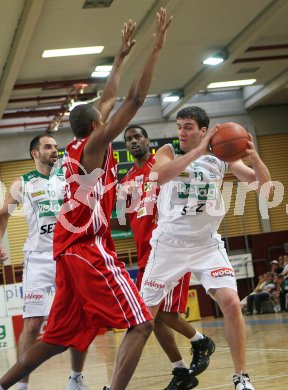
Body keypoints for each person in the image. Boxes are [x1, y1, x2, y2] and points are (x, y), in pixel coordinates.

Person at [0, 8, 172, 390]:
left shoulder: (83, 141)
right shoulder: (95, 146)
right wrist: (156, 46)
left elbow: (109, 96)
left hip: (66, 250)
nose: (108, 117)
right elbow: (135, 97)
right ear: (98, 126)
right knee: (141, 323)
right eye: (104, 118)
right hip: (85, 248)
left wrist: (121, 55)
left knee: (56, 339)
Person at [140, 106, 272, 390]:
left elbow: (265, 190)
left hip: (206, 244)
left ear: (204, 130)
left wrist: (254, 156)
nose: (181, 132)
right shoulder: (168, 152)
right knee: (143, 319)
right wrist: (198, 151)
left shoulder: (221, 159)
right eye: (179, 126)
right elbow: (159, 177)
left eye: (188, 127)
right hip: (169, 245)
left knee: (232, 303)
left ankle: (241, 377)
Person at [118, 125, 215, 389]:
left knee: (161, 315)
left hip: (169, 248)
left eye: (138, 136)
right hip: (143, 252)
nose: (134, 141)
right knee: (155, 316)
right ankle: (181, 369)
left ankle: (199, 342)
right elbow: (124, 221)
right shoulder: (128, 179)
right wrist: (120, 200)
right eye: (129, 139)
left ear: (147, 140)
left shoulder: (163, 166)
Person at [0, 133, 88, 390]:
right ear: (34, 153)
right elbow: (3, 213)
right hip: (38, 259)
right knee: (33, 322)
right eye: (48, 147)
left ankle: (76, 378)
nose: (54, 150)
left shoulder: (69, 180)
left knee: (79, 318)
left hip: (68, 256)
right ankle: (21, 385)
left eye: (56, 147)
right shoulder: (23, 183)